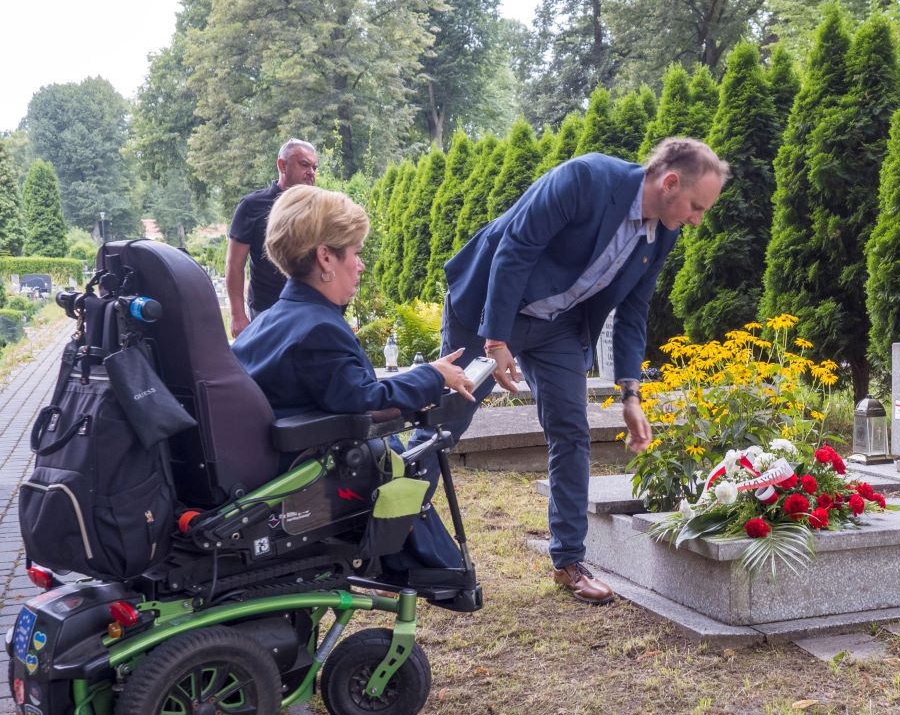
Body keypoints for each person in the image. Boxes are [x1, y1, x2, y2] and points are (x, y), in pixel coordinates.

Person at [419, 137, 728, 604]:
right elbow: (515, 247)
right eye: (696, 206)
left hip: (558, 326)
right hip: (488, 309)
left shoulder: (663, 230)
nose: (697, 219)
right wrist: (497, 339)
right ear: (669, 183)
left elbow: (633, 312)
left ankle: (568, 560)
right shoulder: (584, 179)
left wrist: (630, 395)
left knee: (571, 431)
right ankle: (394, 535)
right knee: (444, 426)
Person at [232, 185, 472, 422]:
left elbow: (348, 390)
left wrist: (428, 373)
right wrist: (434, 375)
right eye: (355, 253)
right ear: (325, 258)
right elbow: (364, 399)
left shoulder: (265, 323)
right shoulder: (318, 331)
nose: (361, 265)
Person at [226, 138, 319, 338]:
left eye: (314, 167)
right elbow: (234, 264)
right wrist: (237, 314)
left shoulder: (319, 206)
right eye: (304, 164)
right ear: (282, 165)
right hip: (266, 311)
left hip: (311, 309)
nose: (311, 172)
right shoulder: (252, 206)